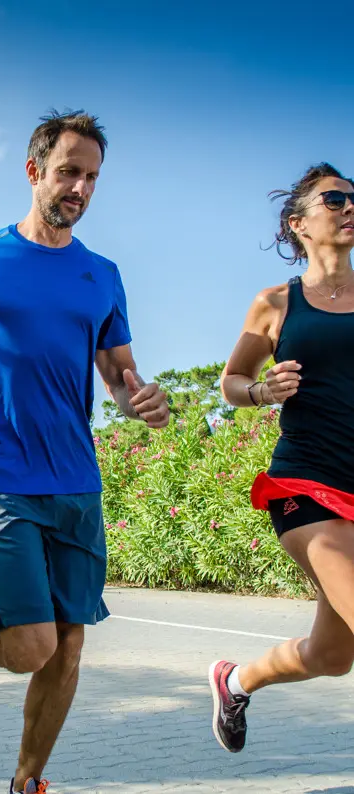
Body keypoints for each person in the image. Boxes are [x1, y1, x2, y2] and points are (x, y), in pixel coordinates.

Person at [0, 110, 170, 794]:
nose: (79, 188)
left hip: (76, 485)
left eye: (91, 177)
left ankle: (27, 782)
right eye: (68, 172)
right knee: (32, 647)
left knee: (70, 645)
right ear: (34, 172)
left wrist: (142, 400)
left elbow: (120, 374)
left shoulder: (103, 275)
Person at [209, 163, 354, 753]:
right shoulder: (276, 303)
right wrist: (262, 391)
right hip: (306, 483)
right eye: (335, 198)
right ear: (299, 224)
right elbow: (232, 381)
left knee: (332, 656)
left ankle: (236, 681)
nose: (350, 206)